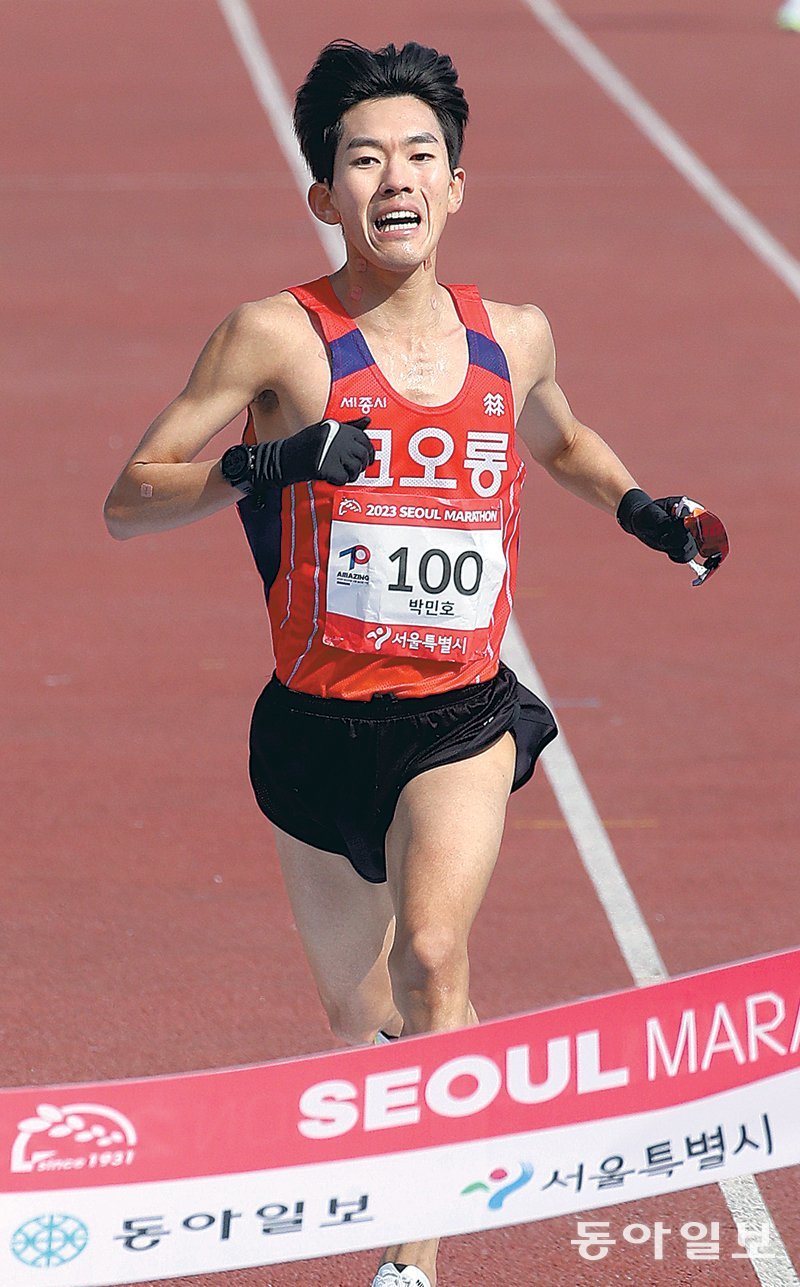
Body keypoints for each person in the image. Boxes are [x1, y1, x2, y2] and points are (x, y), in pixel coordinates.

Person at [104, 39, 716, 1287]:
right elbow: (130, 495)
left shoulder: (515, 335)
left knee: (435, 956)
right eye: (365, 157)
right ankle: (435, 1099)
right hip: (313, 731)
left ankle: (411, 1257)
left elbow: (562, 440)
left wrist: (644, 509)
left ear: (454, 185)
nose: (397, 177)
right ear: (325, 194)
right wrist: (269, 461)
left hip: (459, 719)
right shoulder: (274, 337)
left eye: (421, 155)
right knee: (355, 1018)